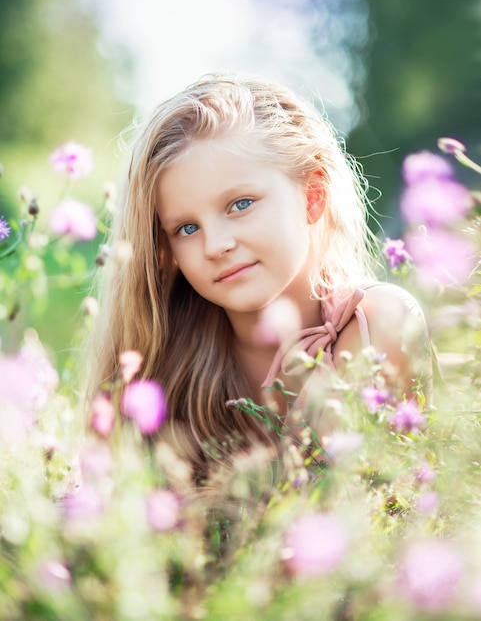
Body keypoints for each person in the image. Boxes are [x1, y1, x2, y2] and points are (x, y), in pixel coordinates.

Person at [87, 72, 433, 480]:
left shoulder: (379, 324)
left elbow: (391, 507)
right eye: (187, 228)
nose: (215, 245)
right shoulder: (164, 366)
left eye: (241, 204)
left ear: (313, 195)